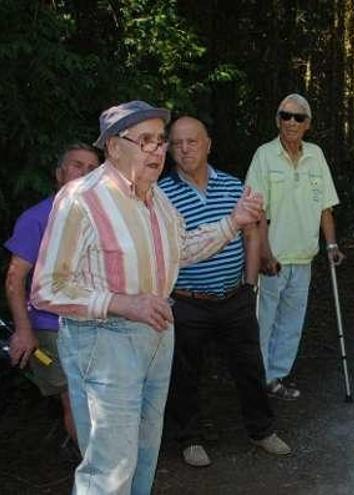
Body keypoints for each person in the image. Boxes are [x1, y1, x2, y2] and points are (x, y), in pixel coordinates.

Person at [31, 100, 264, 494]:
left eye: (160, 140)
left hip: (156, 333)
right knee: (109, 469)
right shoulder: (81, 199)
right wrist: (123, 302)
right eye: (146, 141)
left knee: (142, 457)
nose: (158, 150)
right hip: (104, 340)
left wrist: (233, 222)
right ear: (114, 146)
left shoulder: (157, 198)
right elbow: (46, 288)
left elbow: (182, 250)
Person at [159, 116, 291, 468]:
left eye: (192, 141)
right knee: (184, 372)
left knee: (249, 366)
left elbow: (251, 235)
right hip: (187, 300)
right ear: (170, 149)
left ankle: (262, 430)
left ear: (208, 144)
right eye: (177, 143)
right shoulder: (160, 194)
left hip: (235, 297)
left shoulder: (234, 187)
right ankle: (189, 438)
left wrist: (248, 285)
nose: (185, 149)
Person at [245, 93, 344, 400]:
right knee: (264, 322)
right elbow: (255, 209)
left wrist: (332, 246)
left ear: (308, 124)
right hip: (273, 257)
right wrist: (264, 254)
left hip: (304, 255)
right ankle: (256, 379)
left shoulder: (316, 155)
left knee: (291, 322)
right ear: (278, 119)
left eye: (298, 118)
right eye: (285, 115)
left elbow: (326, 207)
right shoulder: (264, 154)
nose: (291, 122)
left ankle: (276, 378)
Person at [4, 143, 100, 446]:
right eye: (76, 165)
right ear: (59, 173)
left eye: (92, 168)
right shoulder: (38, 217)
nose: (84, 173)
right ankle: (95, 474)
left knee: (103, 403)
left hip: (99, 323)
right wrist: (23, 330)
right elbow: (14, 278)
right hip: (52, 329)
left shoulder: (104, 216)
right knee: (75, 403)